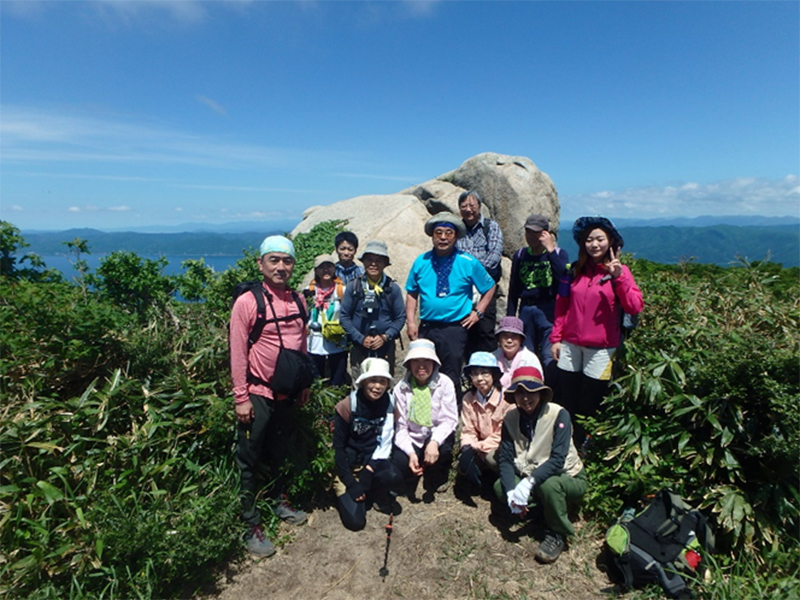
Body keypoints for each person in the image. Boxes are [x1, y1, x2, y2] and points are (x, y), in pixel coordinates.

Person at [229, 235, 310, 558]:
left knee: (279, 450)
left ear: (293, 265)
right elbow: (236, 351)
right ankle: (249, 522)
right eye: (273, 260)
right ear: (260, 264)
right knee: (248, 457)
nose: (280, 266)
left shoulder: (298, 301)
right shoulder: (249, 302)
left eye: (286, 260)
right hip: (258, 393)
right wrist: (241, 397)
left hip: (288, 393)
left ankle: (279, 500)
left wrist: (304, 383)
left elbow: (300, 344)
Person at [550, 216, 644, 446]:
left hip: (602, 348)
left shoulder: (620, 272)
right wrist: (556, 338)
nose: (594, 244)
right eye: (589, 239)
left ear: (610, 242)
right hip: (571, 345)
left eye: (599, 239)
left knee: (592, 399)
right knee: (567, 397)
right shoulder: (573, 271)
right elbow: (562, 306)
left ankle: (587, 445)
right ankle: (565, 442)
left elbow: (634, 306)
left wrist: (618, 277)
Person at [496, 366, 586, 564]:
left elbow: (558, 459)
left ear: (540, 393)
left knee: (549, 486)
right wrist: (513, 491)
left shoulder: (558, 414)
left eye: (530, 392)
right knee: (501, 488)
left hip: (567, 476)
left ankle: (557, 533)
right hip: (531, 473)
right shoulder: (510, 418)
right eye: (519, 393)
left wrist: (528, 482)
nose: (525, 398)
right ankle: (540, 511)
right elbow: (505, 458)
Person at [405, 212, 497, 402]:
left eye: (449, 233)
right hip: (427, 327)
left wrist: (478, 312)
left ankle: (451, 420)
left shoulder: (467, 261)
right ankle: (424, 414)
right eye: (439, 233)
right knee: (423, 372)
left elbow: (489, 287)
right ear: (432, 236)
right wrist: (411, 323)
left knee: (451, 374)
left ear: (456, 237)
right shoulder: (421, 261)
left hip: (455, 328)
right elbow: (412, 293)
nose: (443, 237)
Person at [332, 357, 405, 531]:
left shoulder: (390, 403)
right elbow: (338, 448)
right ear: (363, 381)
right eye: (373, 380)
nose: (377, 386)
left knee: (394, 476)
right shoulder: (347, 406)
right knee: (356, 523)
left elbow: (387, 439)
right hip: (349, 464)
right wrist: (351, 483)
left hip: (373, 460)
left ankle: (375, 492)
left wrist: (370, 469)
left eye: (382, 381)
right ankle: (345, 491)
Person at [392, 339, 458, 502]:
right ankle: (416, 463)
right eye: (416, 361)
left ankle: (435, 474)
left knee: (443, 452)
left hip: (434, 434)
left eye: (426, 361)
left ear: (434, 363)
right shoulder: (400, 389)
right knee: (400, 463)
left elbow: (449, 420)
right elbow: (400, 428)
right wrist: (410, 452)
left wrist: (434, 442)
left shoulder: (445, 383)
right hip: (412, 437)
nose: (421, 366)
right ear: (409, 364)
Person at [506, 214, 569, 383]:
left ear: (545, 234)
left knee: (551, 355)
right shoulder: (520, 255)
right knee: (526, 355)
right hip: (526, 309)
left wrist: (550, 251)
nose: (531, 236)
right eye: (528, 232)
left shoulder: (558, 254)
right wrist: (511, 318)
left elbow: (563, 278)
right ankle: (529, 390)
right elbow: (513, 288)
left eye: (536, 232)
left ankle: (553, 392)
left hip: (549, 309)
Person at [340, 240, 406, 383]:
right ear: (363, 262)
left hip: (385, 346)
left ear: (385, 264)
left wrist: (385, 337)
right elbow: (344, 316)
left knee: (384, 383)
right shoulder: (354, 287)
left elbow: (400, 317)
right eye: (369, 259)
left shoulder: (392, 288)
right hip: (359, 346)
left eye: (379, 260)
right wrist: (360, 338)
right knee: (359, 383)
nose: (374, 264)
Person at [455, 190, 504, 355]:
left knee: (485, 332)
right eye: (464, 206)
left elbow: (494, 257)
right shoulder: (456, 230)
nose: (468, 209)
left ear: (479, 207)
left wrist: (471, 273)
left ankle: (488, 373)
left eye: (471, 205)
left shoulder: (491, 227)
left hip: (485, 289)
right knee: (463, 331)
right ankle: (467, 374)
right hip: (462, 291)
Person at [457, 352, 511, 495]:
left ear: (494, 375)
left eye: (485, 373)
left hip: (499, 447)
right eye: (475, 374)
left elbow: (502, 434)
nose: (480, 378)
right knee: (464, 462)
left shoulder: (506, 399)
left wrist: (476, 447)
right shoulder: (468, 398)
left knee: (491, 459)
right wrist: (467, 447)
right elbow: (468, 429)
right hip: (479, 445)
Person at [303, 253, 349, 387]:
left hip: (337, 340)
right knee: (316, 380)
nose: (326, 270)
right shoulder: (309, 291)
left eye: (329, 266)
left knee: (337, 380)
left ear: (334, 268)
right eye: (321, 267)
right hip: (314, 341)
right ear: (316, 271)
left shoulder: (342, 290)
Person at [492, 316, 543, 390]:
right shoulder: (492, 358)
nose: (509, 340)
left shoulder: (530, 359)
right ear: (499, 339)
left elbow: (537, 387)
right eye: (505, 336)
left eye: (514, 336)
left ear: (521, 340)